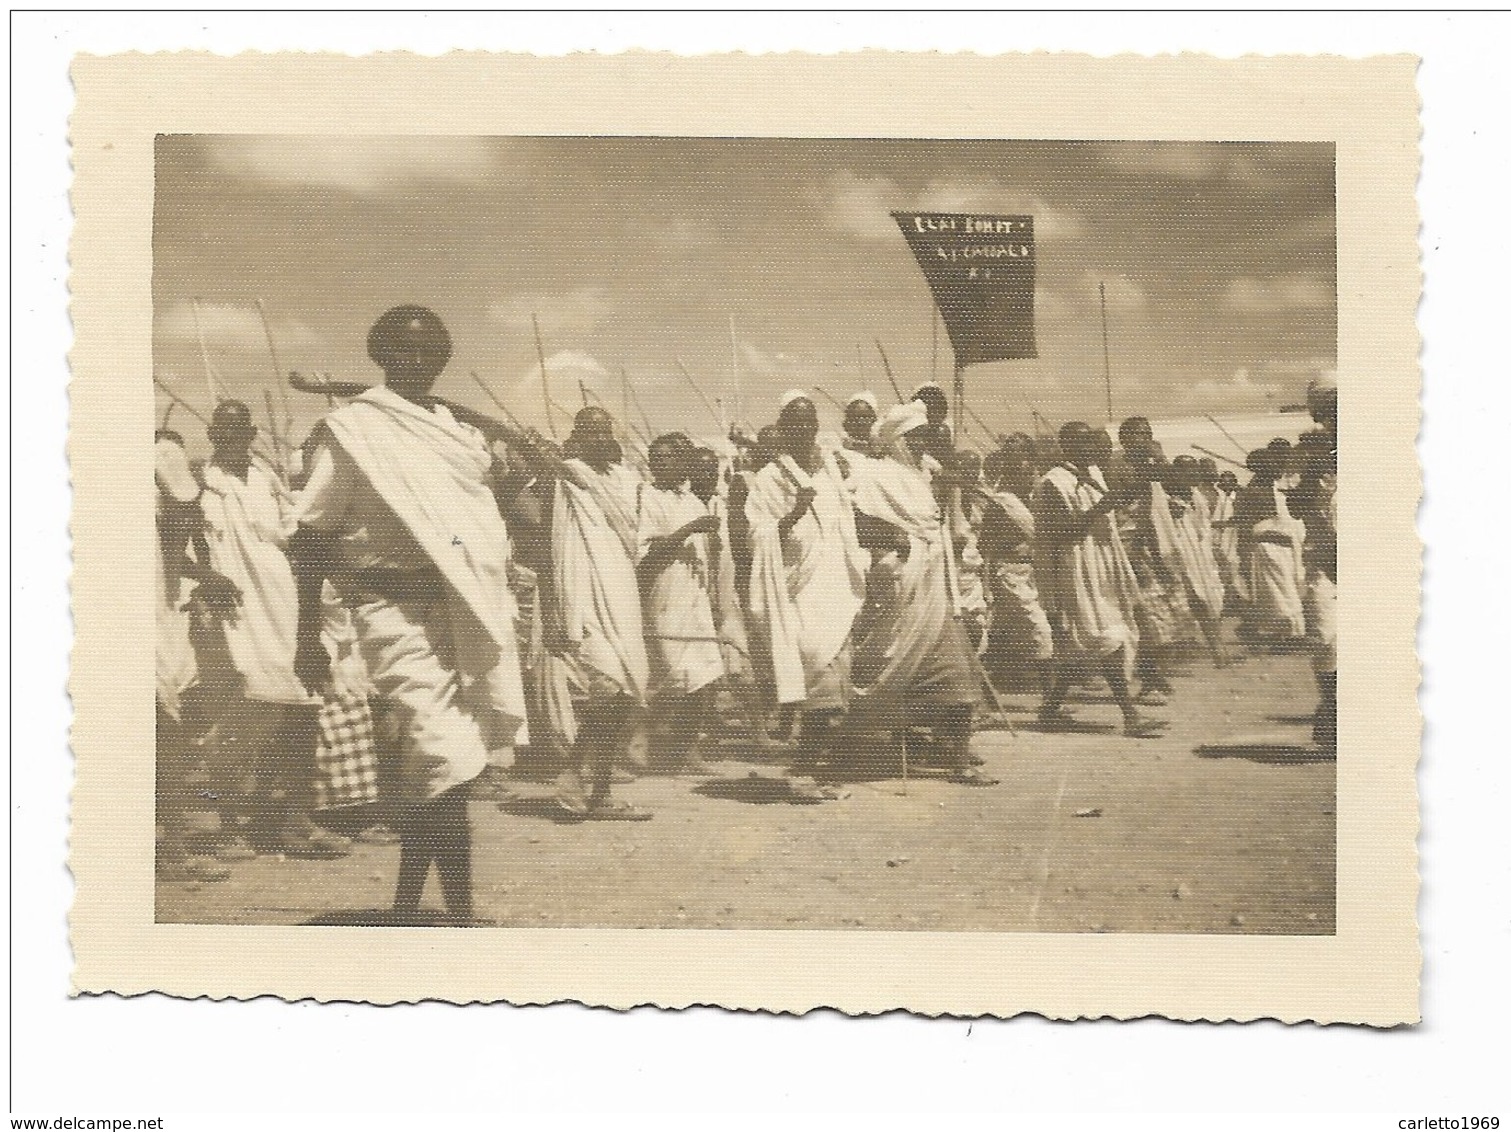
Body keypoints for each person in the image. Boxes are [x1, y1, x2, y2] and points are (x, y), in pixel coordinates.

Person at [289, 305, 530, 923]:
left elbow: (479, 523)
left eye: (429, 349)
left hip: (462, 610)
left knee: (438, 767)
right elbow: (312, 537)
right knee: (445, 756)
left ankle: (405, 908)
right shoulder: (352, 433)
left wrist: (507, 483)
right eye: (404, 348)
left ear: (444, 355)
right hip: (389, 612)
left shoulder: (462, 435)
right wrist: (306, 637)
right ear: (382, 354)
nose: (417, 359)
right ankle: (458, 916)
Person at [196, 399, 350, 859]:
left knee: (303, 709)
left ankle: (293, 821)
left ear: (252, 433)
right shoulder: (199, 486)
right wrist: (204, 574)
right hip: (233, 614)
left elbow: (297, 538)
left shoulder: (269, 482)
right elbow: (176, 543)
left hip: (282, 606)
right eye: (223, 434)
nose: (233, 441)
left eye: (240, 432)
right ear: (212, 437)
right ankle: (228, 827)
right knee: (237, 718)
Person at [844, 401, 993, 784]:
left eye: (923, 436)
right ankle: (848, 738)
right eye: (912, 437)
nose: (919, 443)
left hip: (936, 589)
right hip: (900, 585)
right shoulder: (874, 474)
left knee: (958, 672)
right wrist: (894, 538)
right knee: (887, 668)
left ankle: (957, 760)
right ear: (895, 440)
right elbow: (855, 519)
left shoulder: (924, 477)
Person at [745, 391, 868, 781]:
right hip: (797, 591)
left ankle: (805, 769)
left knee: (832, 689)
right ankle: (804, 771)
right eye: (794, 425)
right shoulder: (768, 478)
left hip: (837, 588)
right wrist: (794, 513)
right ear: (782, 430)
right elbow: (756, 535)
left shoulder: (832, 468)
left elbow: (847, 520)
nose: (803, 431)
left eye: (809, 424)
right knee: (821, 685)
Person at [545, 405, 654, 819]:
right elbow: (553, 545)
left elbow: (636, 537)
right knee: (607, 689)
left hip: (621, 594)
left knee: (624, 696)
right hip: (585, 597)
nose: (599, 439)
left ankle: (600, 789)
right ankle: (575, 772)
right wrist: (560, 612)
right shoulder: (566, 478)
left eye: (604, 431)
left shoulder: (623, 481)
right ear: (576, 437)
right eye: (589, 432)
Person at [1031, 422, 1164, 738]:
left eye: (1090, 442)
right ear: (1067, 446)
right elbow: (1061, 533)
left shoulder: (1094, 474)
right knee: (1106, 638)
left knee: (1086, 644)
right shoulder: (1053, 483)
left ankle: (1049, 711)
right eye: (1082, 442)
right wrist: (1100, 508)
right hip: (1075, 568)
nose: (1090, 448)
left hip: (1102, 565)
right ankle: (1131, 716)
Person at [155, 429, 231, 883]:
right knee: (163, 736)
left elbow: (173, 563)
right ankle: (172, 851)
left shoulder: (168, 526)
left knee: (171, 734)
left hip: (164, 631)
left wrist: (205, 575)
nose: (191, 514)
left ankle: (174, 846)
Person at [638, 433, 725, 773]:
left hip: (695, 596)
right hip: (665, 593)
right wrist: (687, 530)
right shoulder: (649, 497)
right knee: (670, 673)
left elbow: (708, 556)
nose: (659, 463)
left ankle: (686, 749)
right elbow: (646, 555)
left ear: (684, 463)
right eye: (655, 458)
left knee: (704, 675)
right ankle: (639, 736)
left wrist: (713, 598)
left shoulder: (692, 501)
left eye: (668, 457)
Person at [977, 435, 1054, 691]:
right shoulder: (1002, 501)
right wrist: (986, 586)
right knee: (1039, 629)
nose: (1016, 462)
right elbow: (984, 546)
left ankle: (987, 687)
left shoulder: (1040, 494)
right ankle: (1049, 699)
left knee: (1004, 635)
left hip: (1036, 573)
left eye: (1021, 456)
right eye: (1010, 456)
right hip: (1009, 574)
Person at [1294, 374, 1338, 752]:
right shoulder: (1320, 460)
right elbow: (1299, 507)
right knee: (1325, 638)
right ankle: (1332, 709)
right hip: (1325, 560)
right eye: (1330, 411)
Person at [1234, 445, 1307, 643]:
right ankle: (1292, 636)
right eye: (1272, 463)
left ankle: (1284, 634)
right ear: (1262, 467)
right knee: (1281, 592)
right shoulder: (1253, 491)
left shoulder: (1276, 488)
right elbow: (1246, 524)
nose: (1277, 467)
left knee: (1284, 590)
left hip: (1286, 547)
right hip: (1269, 548)